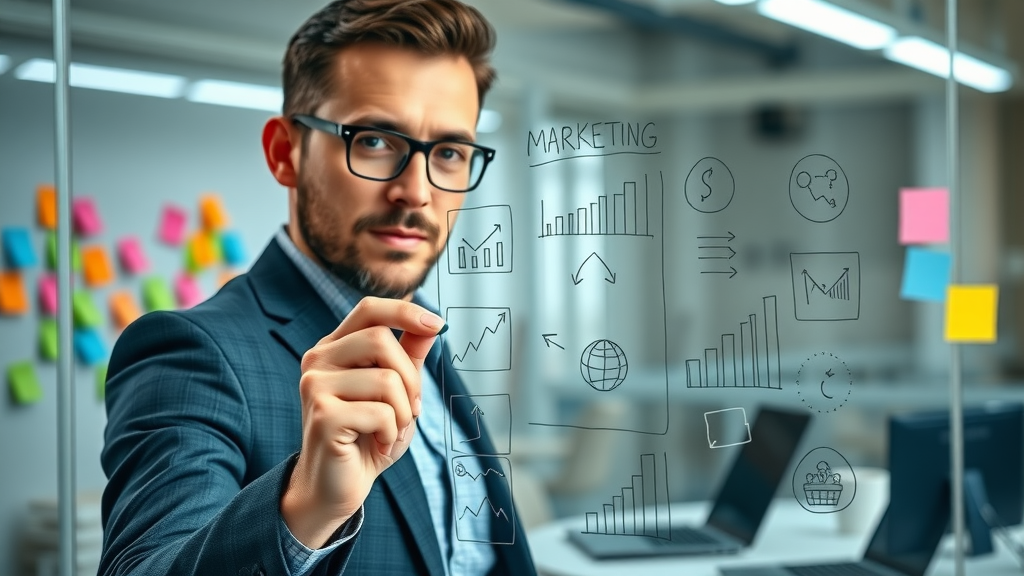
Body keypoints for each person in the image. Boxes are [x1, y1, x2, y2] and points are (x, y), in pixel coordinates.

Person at [99, 1, 537, 574]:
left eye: (449, 153)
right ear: (287, 153)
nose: (416, 191)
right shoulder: (192, 353)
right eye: (376, 141)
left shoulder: (426, 337)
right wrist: (304, 508)